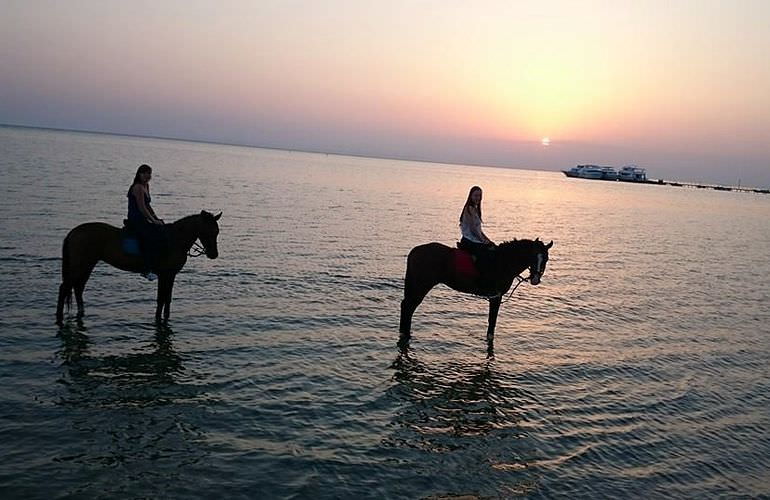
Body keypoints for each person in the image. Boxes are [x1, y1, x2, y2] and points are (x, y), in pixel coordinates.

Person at [126, 164, 164, 281]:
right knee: (148, 238)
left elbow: (148, 205)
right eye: (145, 173)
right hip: (136, 218)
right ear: (139, 174)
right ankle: (145, 269)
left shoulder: (146, 186)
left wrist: (156, 218)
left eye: (149, 173)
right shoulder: (137, 187)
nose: (148, 176)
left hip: (144, 218)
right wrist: (152, 220)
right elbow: (142, 207)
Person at [458, 186, 496, 289]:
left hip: (475, 239)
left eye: (479, 195)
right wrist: (483, 241)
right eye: (475, 195)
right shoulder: (469, 209)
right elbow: (473, 230)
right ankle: (480, 280)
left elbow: (479, 230)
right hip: (469, 240)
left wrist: (489, 241)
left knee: (494, 249)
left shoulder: (475, 209)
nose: (477, 198)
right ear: (470, 196)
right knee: (486, 256)